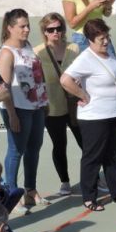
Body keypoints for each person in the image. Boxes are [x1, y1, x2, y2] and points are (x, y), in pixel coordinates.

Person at [60, 18, 116, 212]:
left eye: (107, 37)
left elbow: (114, 73)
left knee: (111, 155)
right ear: (90, 40)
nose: (106, 41)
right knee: (92, 157)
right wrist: (82, 95)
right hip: (94, 117)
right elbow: (65, 80)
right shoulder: (85, 59)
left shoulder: (108, 55)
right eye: (101, 38)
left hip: (113, 113)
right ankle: (89, 197)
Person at [0, 8, 48, 213]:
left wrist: (44, 101)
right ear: (10, 28)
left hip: (36, 106)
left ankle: (30, 190)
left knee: (34, 148)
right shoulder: (7, 54)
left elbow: (36, 76)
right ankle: (12, 195)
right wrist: (12, 114)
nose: (27, 29)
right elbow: (4, 88)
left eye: (28, 25)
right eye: (22, 26)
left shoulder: (27, 46)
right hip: (18, 108)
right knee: (16, 151)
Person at [34, 12, 83, 196]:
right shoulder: (38, 52)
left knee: (85, 143)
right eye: (51, 29)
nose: (56, 32)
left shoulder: (74, 48)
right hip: (52, 107)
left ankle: (93, 176)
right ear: (44, 32)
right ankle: (65, 181)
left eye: (59, 28)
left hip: (74, 104)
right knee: (59, 145)